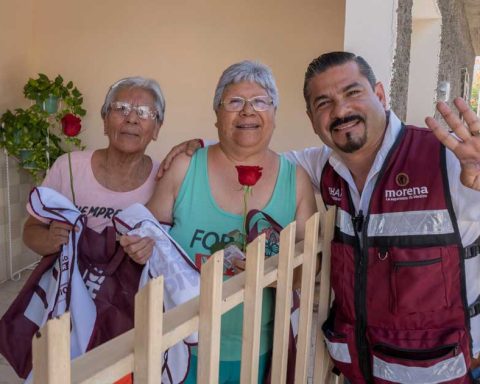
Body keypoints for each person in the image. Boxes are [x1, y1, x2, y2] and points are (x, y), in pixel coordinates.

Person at [158, 52, 480, 383]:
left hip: (443, 373)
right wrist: (203, 146)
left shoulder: (450, 162)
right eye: (324, 102)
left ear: (380, 96)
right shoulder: (322, 166)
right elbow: (250, 151)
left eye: (353, 92)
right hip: (358, 372)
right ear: (313, 119)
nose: (340, 110)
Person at [121, 60, 317, 383]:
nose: (247, 111)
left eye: (260, 101)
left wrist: (273, 270)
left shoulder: (295, 181)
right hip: (180, 347)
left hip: (257, 350)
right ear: (216, 114)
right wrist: (138, 247)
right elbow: (149, 237)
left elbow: (309, 270)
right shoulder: (185, 167)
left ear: (275, 115)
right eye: (234, 102)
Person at [20, 76, 165, 383]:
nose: (131, 118)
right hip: (64, 311)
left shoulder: (165, 176)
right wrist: (49, 240)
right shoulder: (69, 167)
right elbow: (30, 229)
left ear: (157, 128)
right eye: (121, 108)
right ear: (103, 120)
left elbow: (171, 251)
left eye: (144, 112)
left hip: (129, 316)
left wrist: (151, 249)